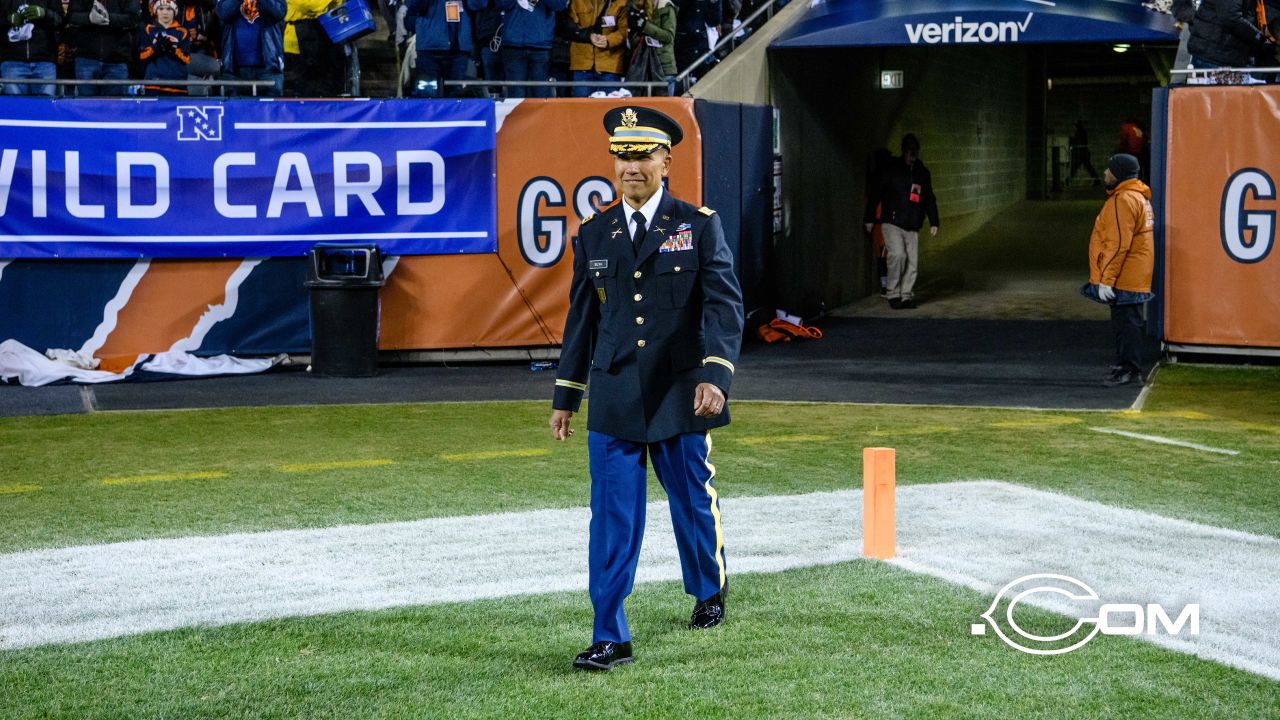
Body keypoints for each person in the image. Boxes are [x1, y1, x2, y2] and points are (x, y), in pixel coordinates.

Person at [549, 106, 744, 672]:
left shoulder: (698, 224)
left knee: (690, 502)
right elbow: (582, 320)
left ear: (666, 160)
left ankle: (708, 589)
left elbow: (724, 306)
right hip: (613, 395)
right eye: (622, 156)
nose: (631, 166)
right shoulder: (594, 232)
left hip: (680, 390)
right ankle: (610, 634)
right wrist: (567, 396)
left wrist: (717, 375)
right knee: (611, 518)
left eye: (642, 155)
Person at [1082, 154, 1154, 388]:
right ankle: (1125, 364)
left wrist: (1106, 280)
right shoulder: (1137, 196)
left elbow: (1118, 244)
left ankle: (1130, 370)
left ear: (1119, 173)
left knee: (1128, 324)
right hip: (1133, 273)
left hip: (1126, 276)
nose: (1105, 172)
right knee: (1127, 322)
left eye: (1110, 169)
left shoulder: (1123, 200)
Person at [863, 133, 938, 310]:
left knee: (912, 262)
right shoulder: (892, 170)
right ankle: (893, 293)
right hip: (892, 221)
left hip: (912, 224)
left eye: (915, 152)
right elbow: (876, 194)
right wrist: (869, 218)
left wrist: (934, 221)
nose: (913, 156)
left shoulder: (922, 173)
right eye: (910, 152)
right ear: (904, 151)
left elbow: (929, 198)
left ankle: (906, 295)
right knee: (898, 255)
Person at [403, 0, 482, 97]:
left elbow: (479, 4)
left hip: (459, 49)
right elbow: (413, 7)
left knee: (456, 99)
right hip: (429, 49)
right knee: (427, 97)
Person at [66, 0, 138, 95]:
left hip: (117, 60)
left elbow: (133, 18)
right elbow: (71, 16)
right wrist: (89, 18)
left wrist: (108, 17)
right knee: (86, 108)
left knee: (114, 108)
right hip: (86, 59)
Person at [495, 0, 564, 97]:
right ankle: (518, 113)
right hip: (513, 44)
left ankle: (539, 113)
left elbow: (559, 5)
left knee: (540, 94)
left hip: (541, 45)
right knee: (516, 94)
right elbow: (501, 4)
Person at [216, 0, 286, 95]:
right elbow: (223, 12)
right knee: (234, 109)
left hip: (269, 69)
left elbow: (279, 12)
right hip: (234, 71)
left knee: (271, 109)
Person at [1, 0, 64, 96]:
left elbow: (62, 21)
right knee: (15, 109)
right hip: (12, 61)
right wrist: (7, 19)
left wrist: (45, 14)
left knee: (45, 109)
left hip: (45, 61)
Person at [566, 0, 625, 97]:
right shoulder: (577, 1)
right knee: (582, 109)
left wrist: (608, 40)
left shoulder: (621, 2)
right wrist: (588, 36)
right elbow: (570, 28)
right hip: (582, 66)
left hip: (610, 66)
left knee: (609, 109)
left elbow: (624, 31)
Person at [139, 0, 191, 92]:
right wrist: (157, 49)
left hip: (177, 86)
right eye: (161, 9)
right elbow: (142, 57)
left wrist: (172, 50)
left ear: (175, 11)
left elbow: (186, 59)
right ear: (155, 11)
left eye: (169, 9)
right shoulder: (148, 29)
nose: (165, 12)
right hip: (153, 85)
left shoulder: (183, 31)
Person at [625, 0, 674, 94]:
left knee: (664, 107)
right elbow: (632, 42)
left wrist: (645, 26)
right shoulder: (637, 6)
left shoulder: (666, 6)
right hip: (641, 66)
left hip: (663, 66)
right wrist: (635, 31)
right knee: (639, 107)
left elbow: (669, 37)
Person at [1068, 120, 1100, 186]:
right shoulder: (1081, 131)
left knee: (1075, 167)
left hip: (1081, 153)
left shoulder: (1079, 132)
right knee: (1086, 167)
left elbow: (1078, 142)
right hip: (1083, 152)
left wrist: (1072, 140)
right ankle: (1097, 180)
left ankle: (1067, 180)